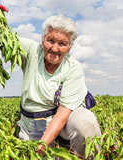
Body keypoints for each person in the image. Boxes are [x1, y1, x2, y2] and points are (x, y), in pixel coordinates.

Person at [17, 15, 101, 157]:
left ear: (70, 47)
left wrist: (41, 147)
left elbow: (62, 114)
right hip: (33, 122)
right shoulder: (32, 51)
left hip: (62, 119)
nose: (55, 48)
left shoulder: (73, 69)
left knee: (85, 123)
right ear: (43, 40)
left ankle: (84, 155)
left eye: (62, 44)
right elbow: (3, 37)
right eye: (50, 41)